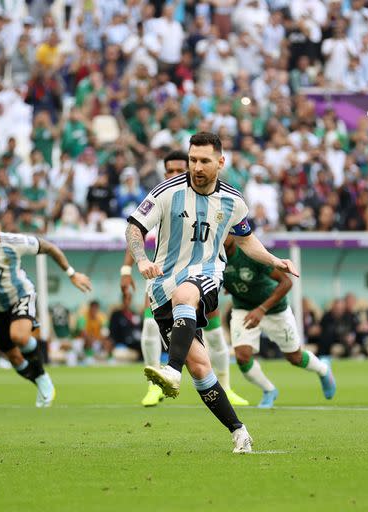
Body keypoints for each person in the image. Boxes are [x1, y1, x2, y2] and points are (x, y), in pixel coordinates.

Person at [125, 132, 299, 453]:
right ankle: (239, 432)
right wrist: (140, 259)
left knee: (185, 294)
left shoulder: (233, 201)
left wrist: (275, 260)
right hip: (161, 288)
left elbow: (246, 241)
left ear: (220, 162)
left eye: (204, 160)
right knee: (201, 367)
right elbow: (134, 226)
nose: (196, 167)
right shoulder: (167, 191)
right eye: (193, 160)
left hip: (205, 275)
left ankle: (170, 371)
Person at [120, 149, 249, 407]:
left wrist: (226, 274)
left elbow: (231, 236)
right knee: (149, 325)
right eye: (172, 171)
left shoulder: (211, 196)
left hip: (201, 272)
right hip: (163, 272)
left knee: (213, 332)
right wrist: (127, 269)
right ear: (165, 172)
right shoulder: (165, 194)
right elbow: (137, 231)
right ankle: (153, 386)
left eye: (182, 169)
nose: (179, 174)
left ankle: (225, 385)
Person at [0, 204, 92, 407]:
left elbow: (49, 247)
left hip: (20, 296)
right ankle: (39, 379)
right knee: (14, 358)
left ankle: (42, 375)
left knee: (19, 336)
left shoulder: (14, 241)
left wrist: (71, 273)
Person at [222, 235, 336, 408]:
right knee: (242, 357)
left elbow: (286, 282)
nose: (221, 235)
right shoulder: (214, 256)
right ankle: (268, 390)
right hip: (243, 308)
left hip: (274, 309)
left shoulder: (250, 254)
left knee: (294, 357)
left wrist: (261, 310)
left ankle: (323, 370)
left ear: (233, 235)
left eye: (226, 231)